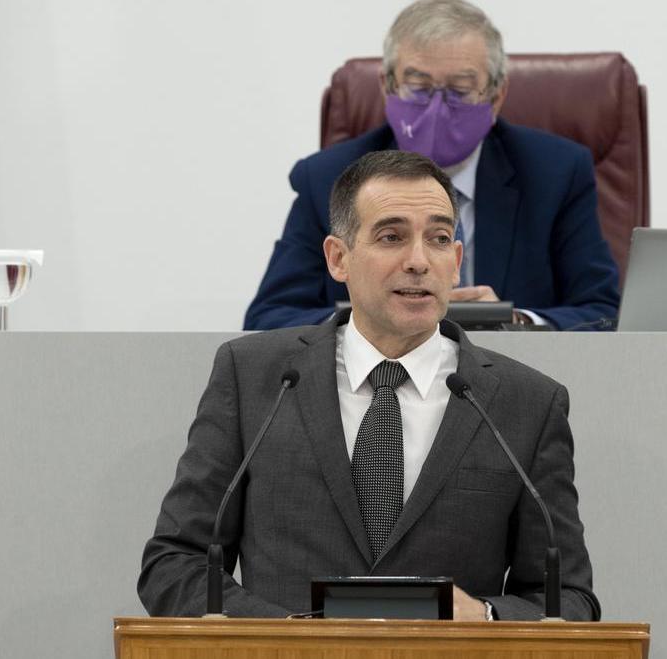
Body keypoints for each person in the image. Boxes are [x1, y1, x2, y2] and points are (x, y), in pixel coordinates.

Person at [140, 151, 599, 621]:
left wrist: (484, 616)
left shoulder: (525, 403)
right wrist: (287, 639)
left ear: (456, 261)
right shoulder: (255, 375)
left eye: (439, 239)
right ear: (338, 258)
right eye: (391, 237)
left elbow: (569, 600)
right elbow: (175, 563)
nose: (419, 261)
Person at [244, 0, 619, 331]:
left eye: (459, 90)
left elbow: (604, 313)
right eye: (419, 88)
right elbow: (269, 319)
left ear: (497, 95)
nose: (438, 109)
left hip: (505, 390)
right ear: (387, 86)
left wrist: (511, 322)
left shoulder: (554, 172)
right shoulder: (326, 178)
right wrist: (363, 321)